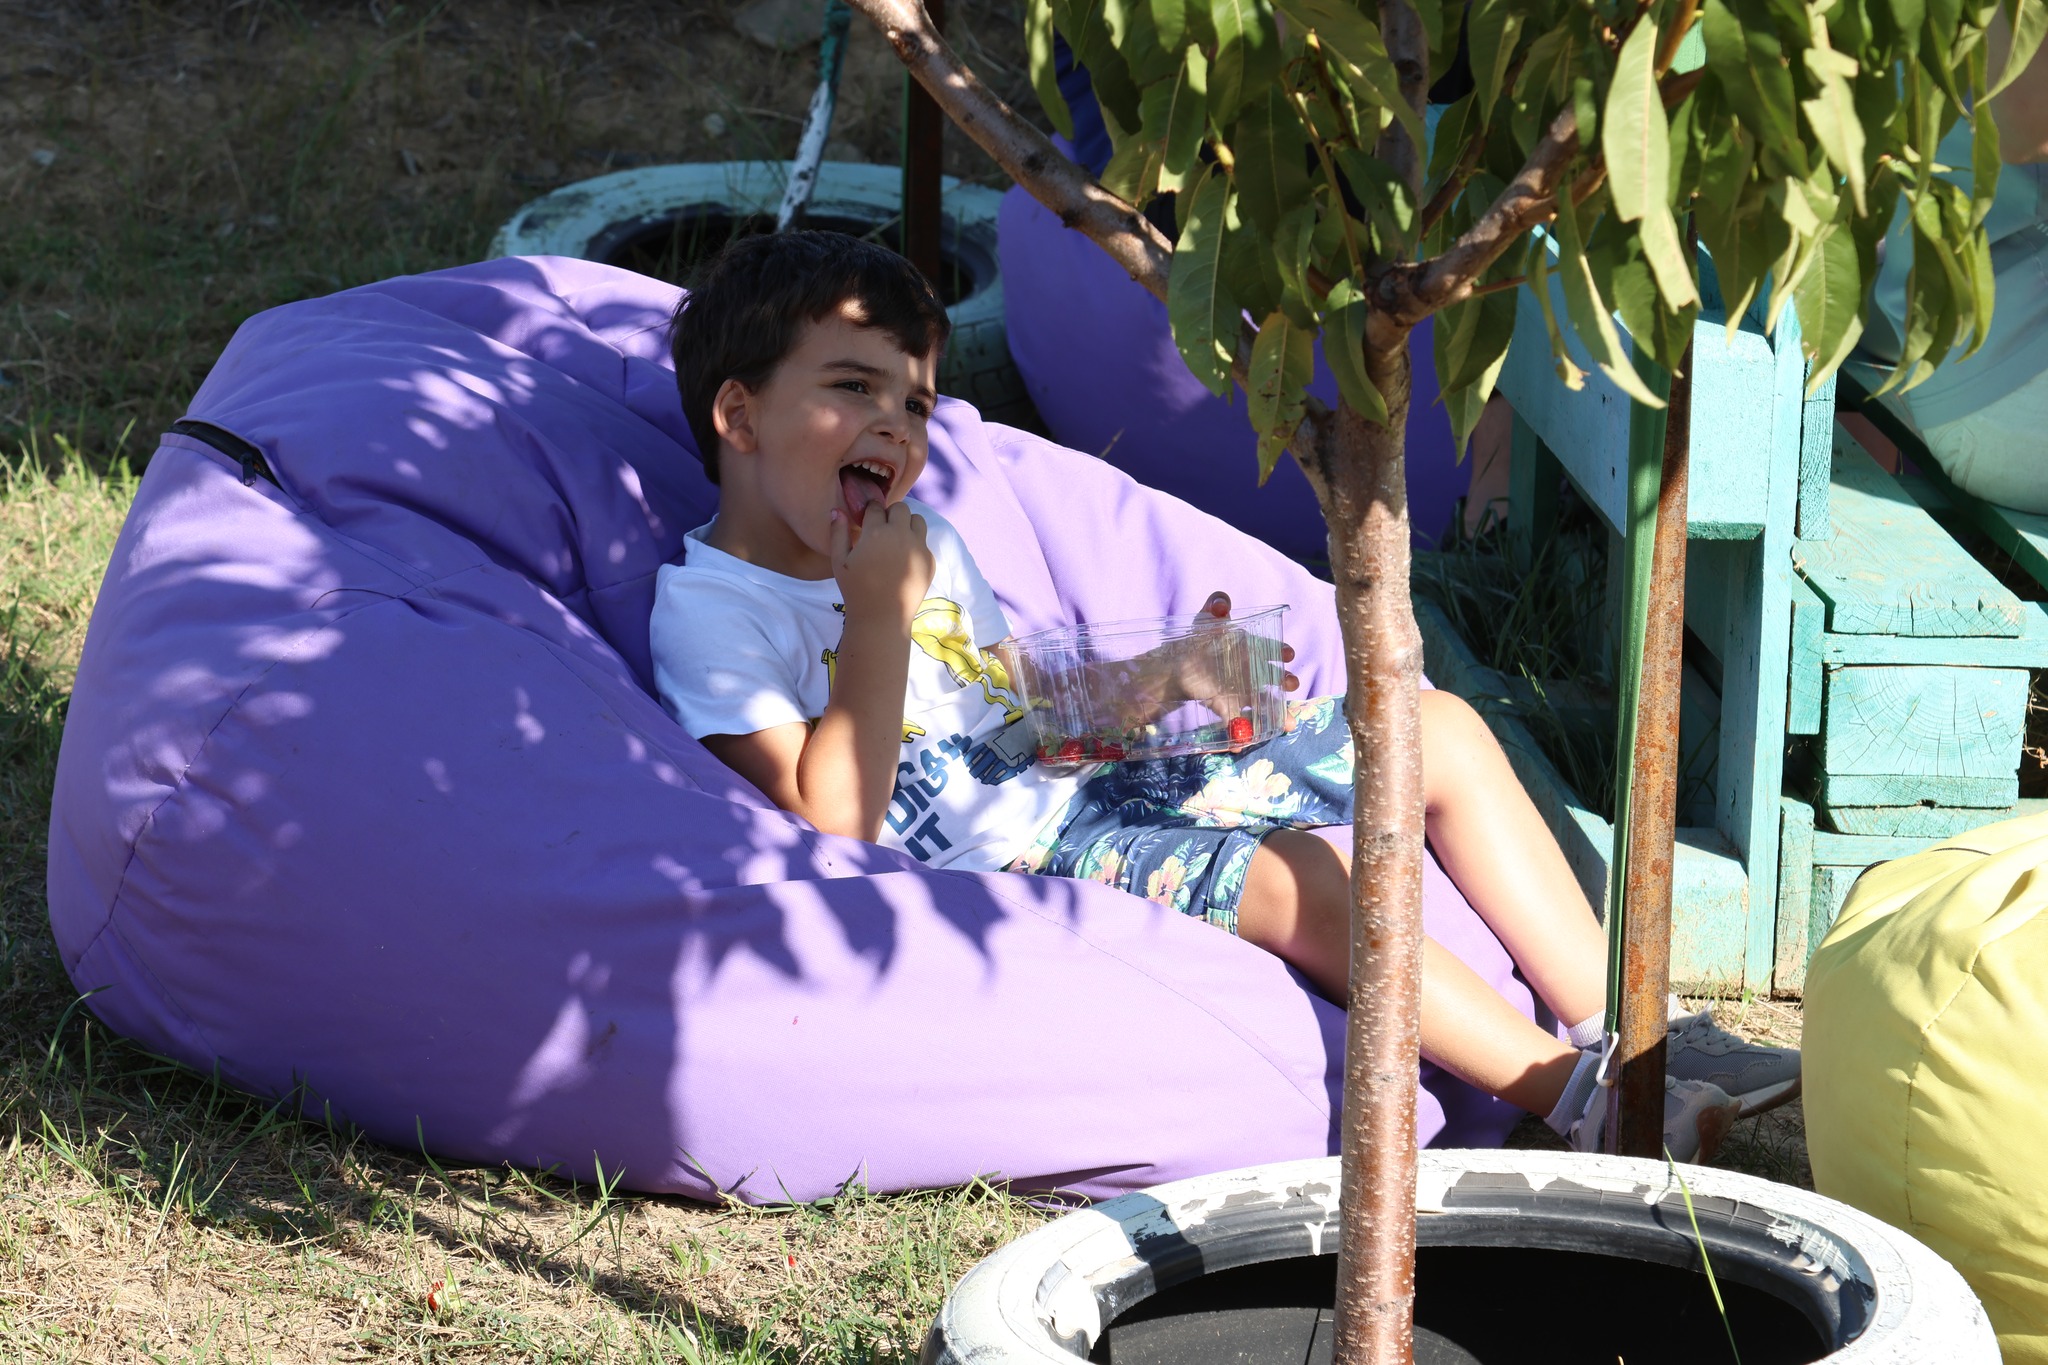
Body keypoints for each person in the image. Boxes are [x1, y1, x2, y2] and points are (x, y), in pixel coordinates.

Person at [648, 230, 1799, 1161]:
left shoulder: (925, 541)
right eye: (853, 388)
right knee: (1295, 874)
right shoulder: (712, 611)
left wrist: (1168, 679)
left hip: (1084, 787)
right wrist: (875, 617)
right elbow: (834, 824)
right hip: (1002, 860)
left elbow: (1023, 719)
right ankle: (1578, 1100)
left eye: (914, 403)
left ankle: (1633, 1031)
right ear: (739, 416)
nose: (893, 427)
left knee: (1434, 733)